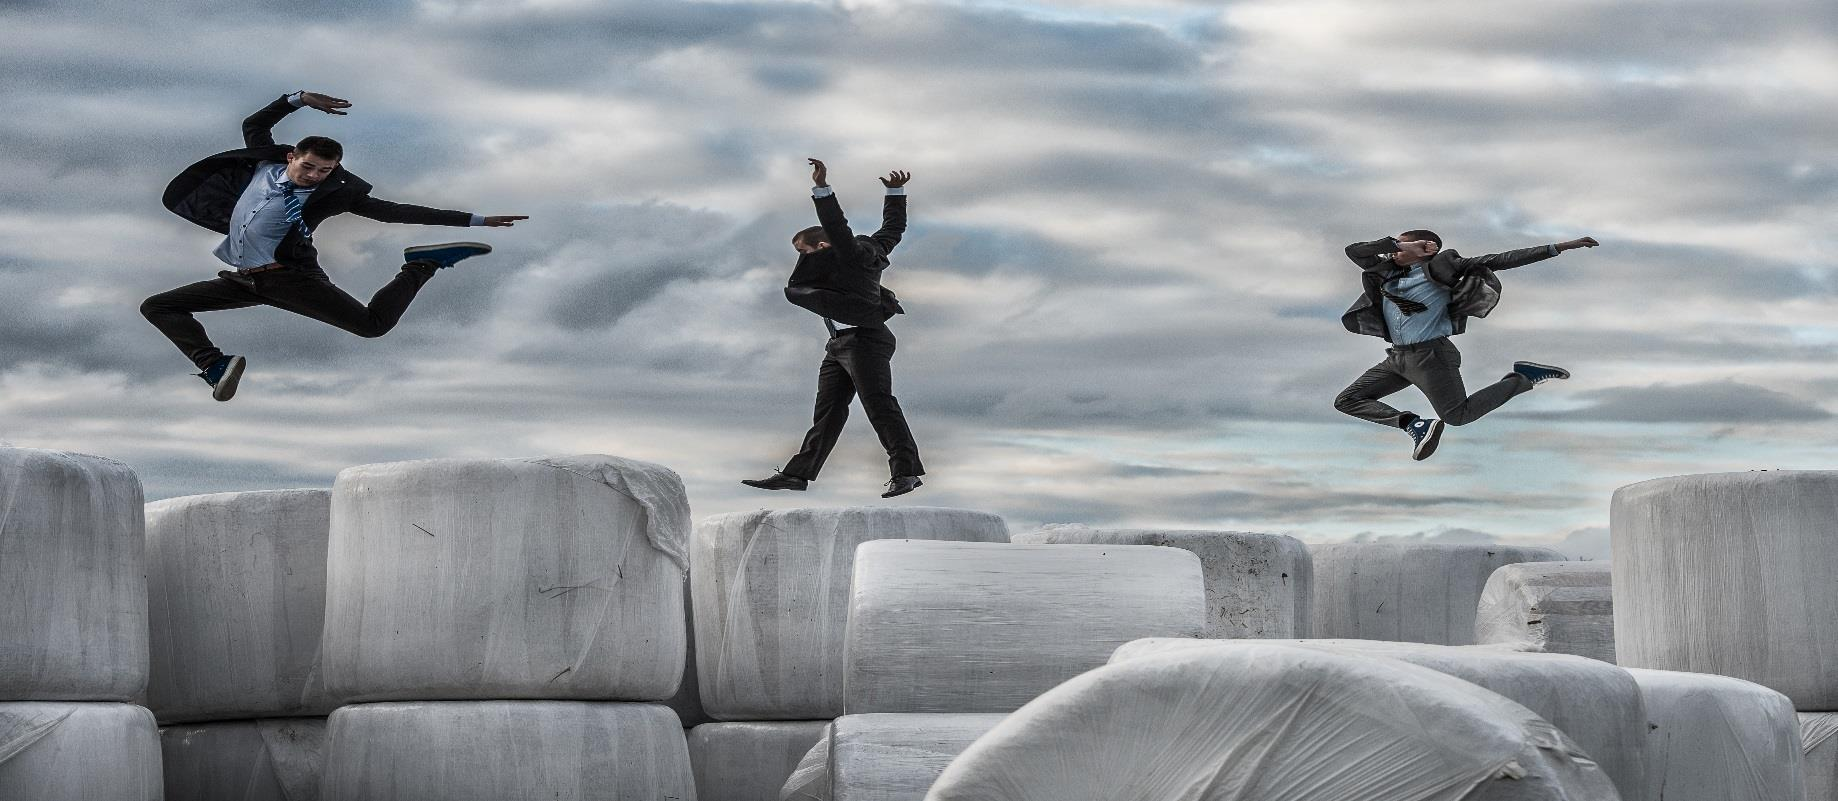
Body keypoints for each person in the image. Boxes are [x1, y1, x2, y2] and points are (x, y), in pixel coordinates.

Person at [142, 90, 528, 401]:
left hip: (289, 278)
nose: (314, 176)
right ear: (291, 156)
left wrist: (474, 220)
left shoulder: (333, 193)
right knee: (158, 306)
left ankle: (420, 265)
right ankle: (214, 366)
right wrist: (298, 99)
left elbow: (392, 211)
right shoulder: (262, 164)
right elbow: (254, 122)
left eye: (324, 171)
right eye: (307, 167)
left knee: (372, 326)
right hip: (245, 279)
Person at [743, 158, 926, 498]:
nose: (803, 259)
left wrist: (822, 189)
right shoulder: (867, 249)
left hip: (866, 341)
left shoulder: (851, 254)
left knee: (879, 405)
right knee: (827, 411)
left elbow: (836, 225)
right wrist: (895, 192)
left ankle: (907, 471)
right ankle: (798, 475)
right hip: (840, 343)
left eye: (804, 251)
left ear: (822, 246)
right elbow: (892, 230)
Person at [1334, 229, 1599, 460]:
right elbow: (1354, 251)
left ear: (1426, 248)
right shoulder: (1387, 272)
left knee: (1457, 415)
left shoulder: (1442, 267)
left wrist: (1558, 248)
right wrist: (1396, 244)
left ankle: (1523, 378)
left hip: (1431, 355)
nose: (1395, 251)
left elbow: (1498, 260)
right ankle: (1413, 424)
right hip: (1397, 359)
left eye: (1403, 245)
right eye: (1396, 246)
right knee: (1347, 400)